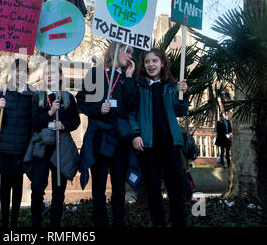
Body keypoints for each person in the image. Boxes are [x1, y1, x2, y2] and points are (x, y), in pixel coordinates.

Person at [77, 42, 139, 227]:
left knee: (119, 187)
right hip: (99, 138)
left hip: (119, 139)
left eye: (132, 53)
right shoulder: (95, 73)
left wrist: (129, 78)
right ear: (115, 49)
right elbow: (81, 101)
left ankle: (118, 223)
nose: (129, 56)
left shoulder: (126, 77)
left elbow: (132, 105)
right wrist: (98, 109)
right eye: (126, 51)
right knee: (99, 187)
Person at [131, 48, 189, 227]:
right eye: (147, 61)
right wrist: (135, 134)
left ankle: (178, 223)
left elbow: (180, 110)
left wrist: (183, 93)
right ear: (143, 64)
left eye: (155, 61)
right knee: (153, 189)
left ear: (162, 63)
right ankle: (159, 224)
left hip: (170, 143)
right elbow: (131, 113)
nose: (151, 65)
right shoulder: (138, 87)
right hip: (149, 145)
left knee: (176, 188)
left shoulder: (171, 86)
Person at [23, 60, 80, 227]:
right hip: (42, 146)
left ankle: (55, 224)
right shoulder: (38, 97)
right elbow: (34, 123)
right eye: (46, 73)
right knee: (38, 187)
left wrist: (64, 125)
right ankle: (36, 222)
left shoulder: (67, 97)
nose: (49, 76)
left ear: (60, 76)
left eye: (53, 73)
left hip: (60, 145)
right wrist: (51, 112)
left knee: (58, 188)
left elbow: (75, 121)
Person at [0, 59, 35, 227]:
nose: (19, 74)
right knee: (5, 186)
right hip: (4, 147)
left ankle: (14, 222)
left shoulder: (32, 95)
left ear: (26, 74)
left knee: (18, 186)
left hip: (22, 147)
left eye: (23, 71)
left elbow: (33, 122)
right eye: (16, 70)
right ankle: (5, 221)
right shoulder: (2, 92)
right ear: (11, 72)